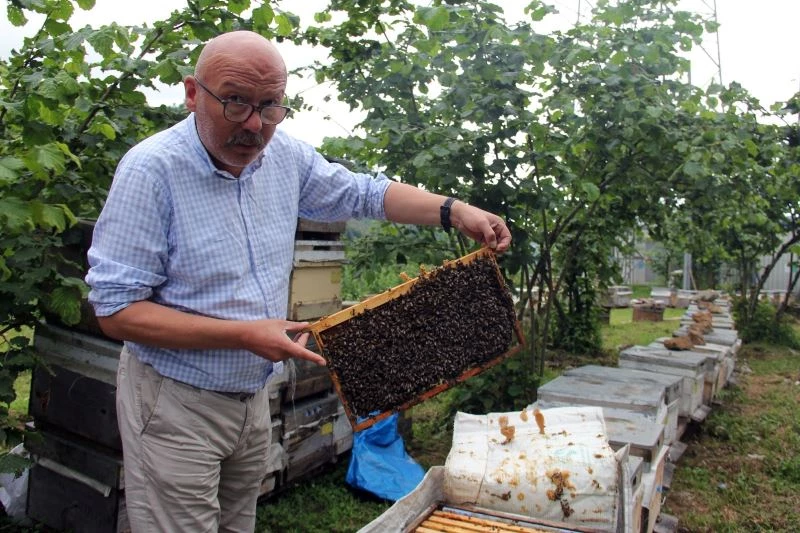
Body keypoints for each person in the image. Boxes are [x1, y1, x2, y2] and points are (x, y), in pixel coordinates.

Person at [86, 30, 511, 532]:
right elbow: (115, 311)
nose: (253, 125)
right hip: (175, 401)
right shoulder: (151, 171)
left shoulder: (284, 156)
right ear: (193, 93)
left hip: (252, 399)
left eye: (270, 107)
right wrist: (244, 334)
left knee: (237, 524)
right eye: (236, 102)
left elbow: (363, 194)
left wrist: (453, 210)